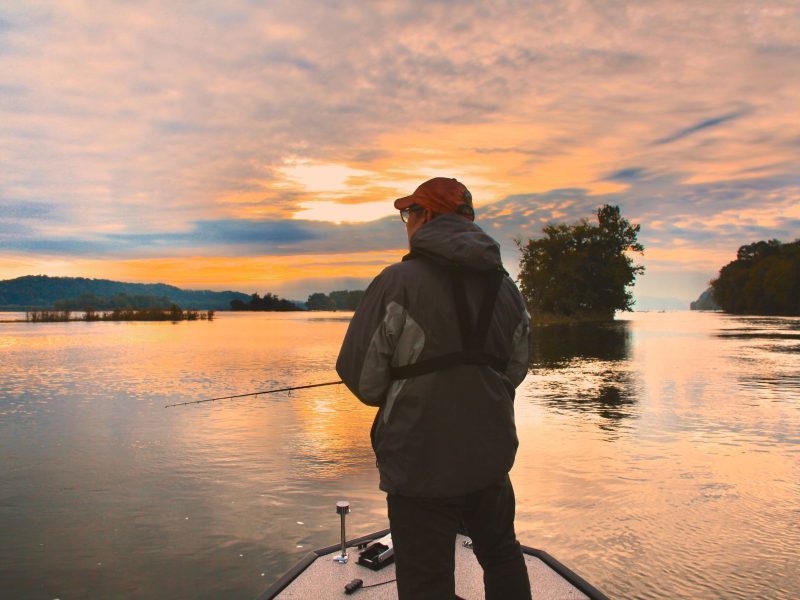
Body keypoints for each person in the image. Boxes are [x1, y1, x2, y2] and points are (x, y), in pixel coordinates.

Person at [336, 177, 532, 600]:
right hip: (489, 455)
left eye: (410, 213)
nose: (406, 222)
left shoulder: (396, 282)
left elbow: (362, 380)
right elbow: (516, 369)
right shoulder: (508, 289)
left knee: (426, 581)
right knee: (501, 554)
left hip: (419, 460)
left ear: (426, 217)